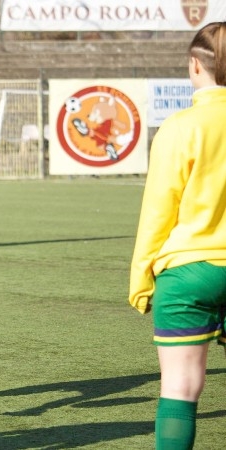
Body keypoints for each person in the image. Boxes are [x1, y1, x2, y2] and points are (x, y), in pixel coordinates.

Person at [129, 21, 226, 450]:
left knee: (180, 390)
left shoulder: (179, 127)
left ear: (194, 66)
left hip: (188, 273)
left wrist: (141, 279)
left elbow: (157, 212)